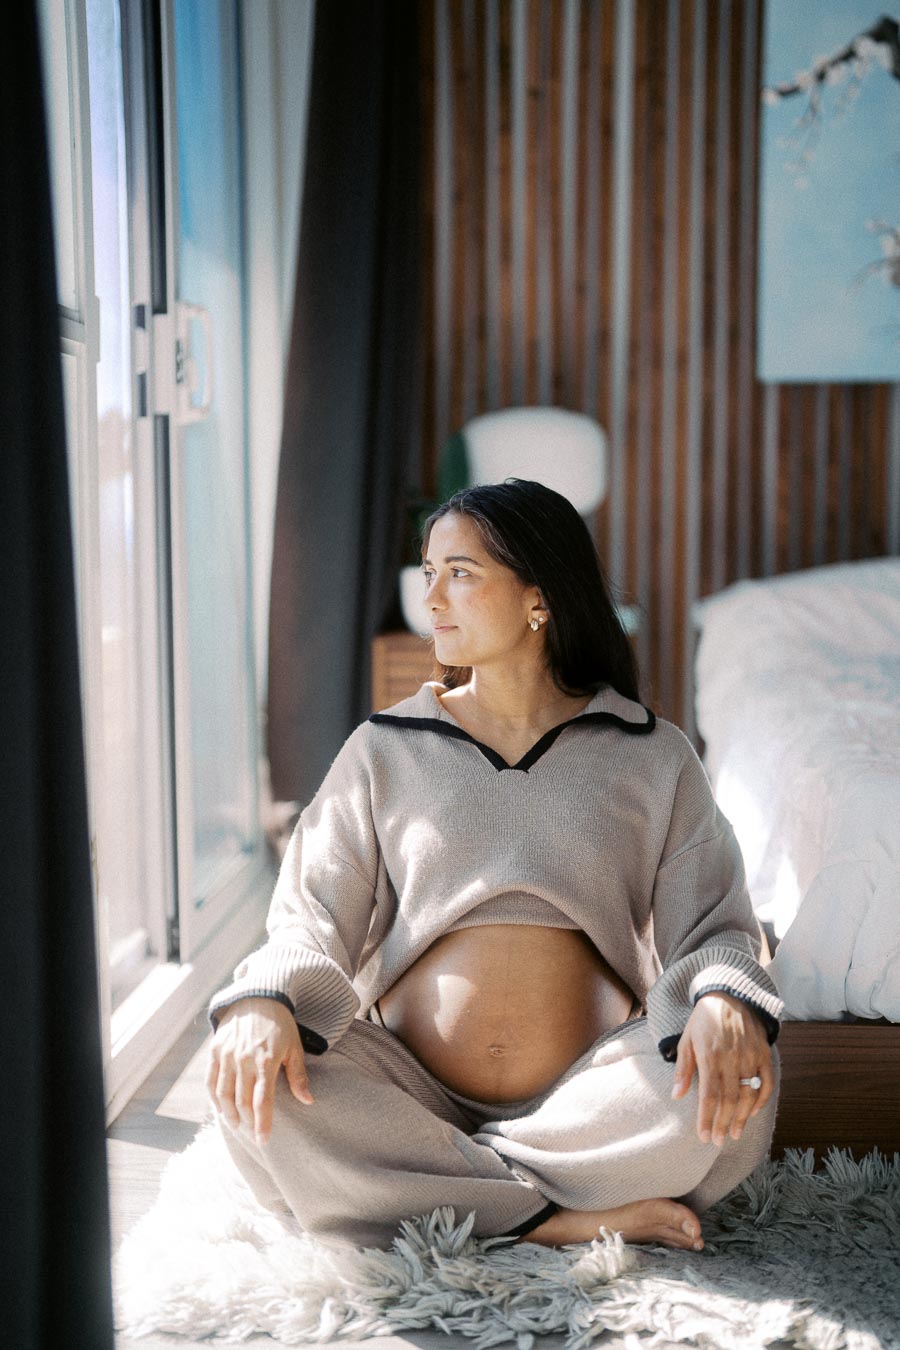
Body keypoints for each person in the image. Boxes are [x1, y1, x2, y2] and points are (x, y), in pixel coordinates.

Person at [206, 478, 783, 1253]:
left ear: (538, 598)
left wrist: (720, 998)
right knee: (257, 1078)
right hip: (405, 1086)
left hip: (590, 1096)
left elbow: (714, 922)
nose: (432, 595)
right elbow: (310, 915)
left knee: (734, 1079)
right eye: (428, 569)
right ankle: (561, 1217)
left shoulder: (651, 754)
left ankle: (434, 1195)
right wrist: (267, 1001)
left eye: (461, 572)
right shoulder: (385, 747)